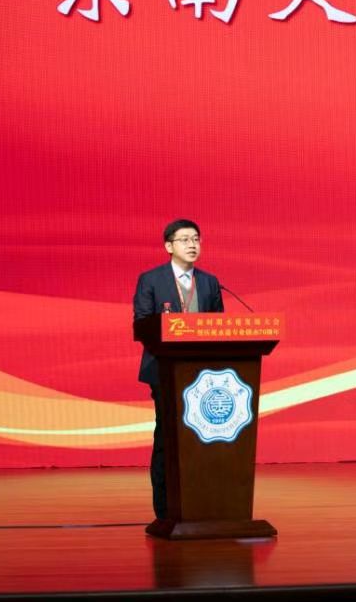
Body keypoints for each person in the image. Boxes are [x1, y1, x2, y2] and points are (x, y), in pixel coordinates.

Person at [132, 218, 224, 520]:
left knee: (203, 440)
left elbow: (220, 327)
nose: (192, 245)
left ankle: (203, 504)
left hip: (203, 375)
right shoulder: (151, 280)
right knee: (168, 438)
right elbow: (142, 324)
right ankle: (165, 510)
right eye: (184, 239)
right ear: (168, 246)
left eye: (196, 239)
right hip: (164, 372)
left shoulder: (209, 282)